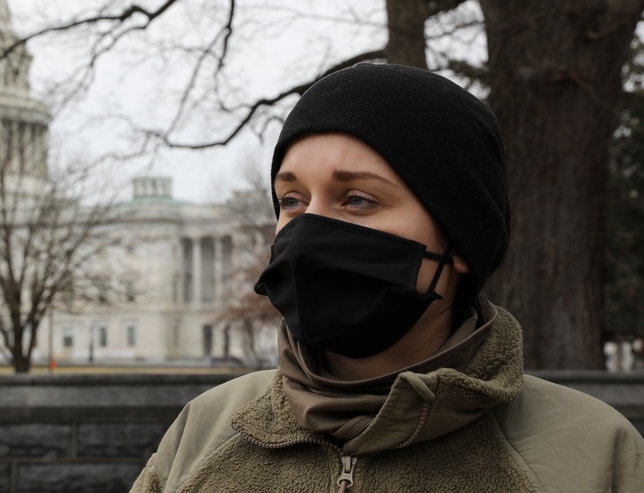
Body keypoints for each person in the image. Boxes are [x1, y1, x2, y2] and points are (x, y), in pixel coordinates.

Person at [130, 63, 644, 492]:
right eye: (292, 200)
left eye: (357, 199)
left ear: (459, 239)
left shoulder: (596, 456)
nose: (309, 231)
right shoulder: (203, 432)